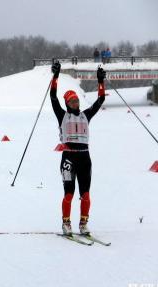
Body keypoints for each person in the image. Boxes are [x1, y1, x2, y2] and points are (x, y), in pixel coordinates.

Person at [50, 61, 106, 236]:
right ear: (67, 103)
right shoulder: (62, 115)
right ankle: (66, 224)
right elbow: (53, 97)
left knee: (86, 195)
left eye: (76, 100)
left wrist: (101, 81)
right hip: (68, 158)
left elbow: (101, 100)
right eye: (72, 101)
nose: (76, 102)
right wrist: (56, 76)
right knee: (69, 194)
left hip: (84, 159)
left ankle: (83, 223)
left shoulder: (85, 115)